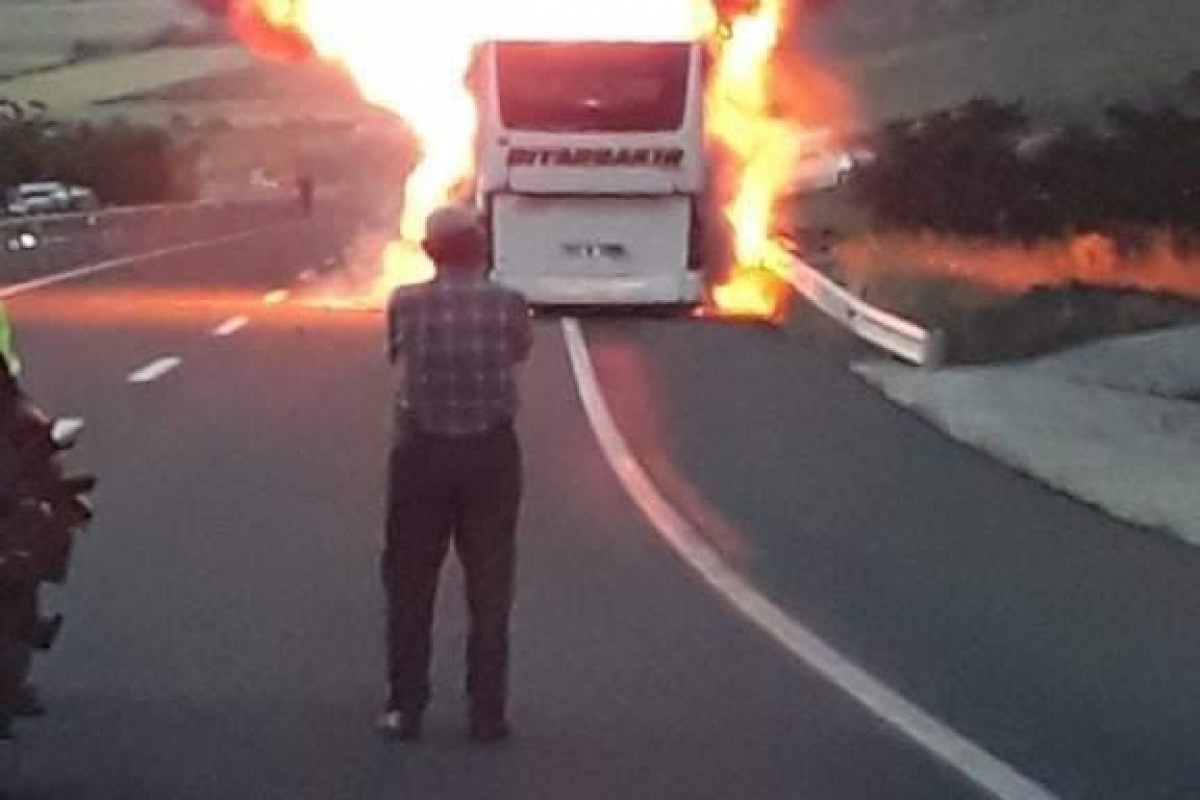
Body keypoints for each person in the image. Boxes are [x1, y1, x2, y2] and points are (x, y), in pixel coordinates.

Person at [379, 205, 532, 743]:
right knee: (490, 590)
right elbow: (519, 352)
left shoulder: (406, 304)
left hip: (421, 456)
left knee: (409, 585)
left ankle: (406, 706)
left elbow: (396, 354)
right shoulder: (509, 304)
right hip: (491, 456)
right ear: (481, 247)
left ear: (430, 252)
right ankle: (487, 713)